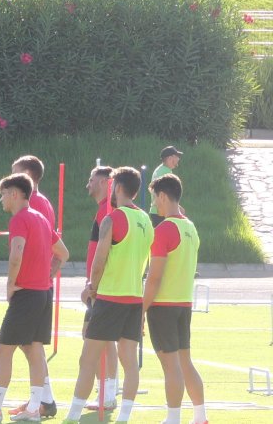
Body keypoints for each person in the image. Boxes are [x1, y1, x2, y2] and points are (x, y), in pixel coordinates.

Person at [0, 173, 69, 423]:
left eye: (3, 193)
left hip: (27, 293)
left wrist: (11, 285)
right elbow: (63, 253)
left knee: (3, 351)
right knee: (33, 349)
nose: (1, 199)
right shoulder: (42, 218)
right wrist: (48, 275)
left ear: (14, 193)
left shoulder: (20, 219)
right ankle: (34, 408)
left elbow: (16, 254)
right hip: (43, 292)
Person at [63, 167, 153, 423]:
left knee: (87, 359)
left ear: (119, 188)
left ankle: (73, 414)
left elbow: (99, 260)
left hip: (111, 297)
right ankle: (124, 416)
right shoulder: (146, 220)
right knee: (129, 361)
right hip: (134, 298)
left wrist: (91, 287)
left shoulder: (112, 219)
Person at [143, 174, 208, 424]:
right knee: (184, 361)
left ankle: (173, 418)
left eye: (154, 199)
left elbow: (154, 277)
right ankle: (200, 416)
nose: (154, 205)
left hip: (164, 305)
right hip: (183, 303)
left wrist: (140, 310)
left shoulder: (164, 230)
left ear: (162, 196)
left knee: (171, 365)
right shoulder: (190, 227)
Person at [8, 155, 58, 417]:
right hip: (38, 284)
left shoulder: (34, 204)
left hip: (32, 286)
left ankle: (42, 401)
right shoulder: (43, 202)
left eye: (14, 173)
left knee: (28, 345)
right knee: (30, 345)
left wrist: (42, 276)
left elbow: (49, 246)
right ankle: (43, 399)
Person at [84, 166, 120, 413]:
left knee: (96, 339)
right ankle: (107, 392)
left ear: (106, 182)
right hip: (99, 285)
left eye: (91, 179)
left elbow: (103, 253)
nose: (88, 184)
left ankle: (107, 394)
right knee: (104, 340)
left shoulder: (108, 211)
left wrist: (93, 286)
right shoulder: (102, 210)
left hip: (102, 287)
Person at [150, 146, 183, 228]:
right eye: (177, 156)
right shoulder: (166, 172)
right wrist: (177, 208)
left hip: (156, 211)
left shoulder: (159, 170)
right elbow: (167, 194)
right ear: (170, 158)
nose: (178, 159)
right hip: (162, 212)